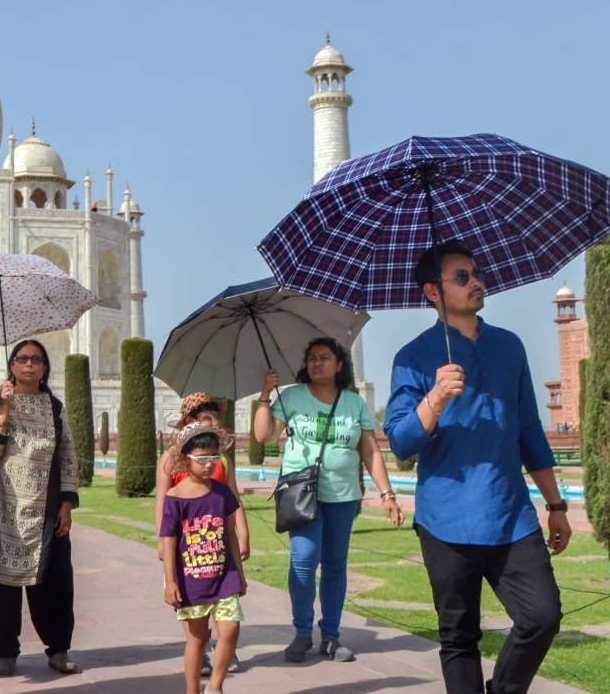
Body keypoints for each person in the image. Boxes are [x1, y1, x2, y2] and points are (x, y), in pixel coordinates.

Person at [385, 242, 569, 694]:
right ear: (432, 291)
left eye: (476, 273)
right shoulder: (412, 357)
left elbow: (529, 430)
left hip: (511, 516)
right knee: (459, 637)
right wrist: (435, 397)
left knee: (542, 617)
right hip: (445, 519)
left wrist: (556, 505)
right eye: (462, 277)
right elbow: (401, 441)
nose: (477, 282)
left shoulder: (509, 346)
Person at [253, 337, 404, 664]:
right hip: (301, 494)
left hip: (343, 496)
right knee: (304, 561)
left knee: (335, 565)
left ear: (339, 365)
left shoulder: (354, 403)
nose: (316, 363)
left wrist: (387, 494)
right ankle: (302, 633)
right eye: (311, 358)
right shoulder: (292, 396)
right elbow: (263, 435)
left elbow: (370, 451)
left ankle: (331, 636)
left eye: (324, 357)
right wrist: (265, 394)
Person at [0, 338, 80, 677]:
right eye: (22, 359)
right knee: (2, 587)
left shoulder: (54, 406)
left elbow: (67, 456)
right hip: (5, 507)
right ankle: (6, 651)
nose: (29, 364)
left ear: (45, 367)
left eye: (36, 359)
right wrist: (6, 410)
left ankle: (58, 649)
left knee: (55, 583)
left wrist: (66, 504)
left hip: (46, 508)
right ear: (11, 365)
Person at [154, 392, 246, 676]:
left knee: (222, 599)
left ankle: (220, 646)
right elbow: (163, 502)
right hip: (188, 549)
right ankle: (200, 648)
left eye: (214, 420)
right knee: (193, 608)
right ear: (188, 421)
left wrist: (243, 532)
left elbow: (233, 499)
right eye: (204, 419)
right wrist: (162, 540)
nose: (210, 424)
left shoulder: (221, 461)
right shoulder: (172, 458)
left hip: (216, 544)